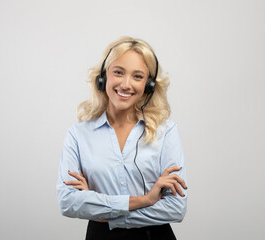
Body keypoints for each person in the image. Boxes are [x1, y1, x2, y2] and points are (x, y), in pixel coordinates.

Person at [56, 36, 188, 240]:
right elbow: (68, 202)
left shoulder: (166, 132)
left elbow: (175, 209)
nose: (126, 84)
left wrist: (101, 210)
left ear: (149, 85)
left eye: (137, 76)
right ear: (103, 77)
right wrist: (145, 200)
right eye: (118, 72)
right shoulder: (78, 135)